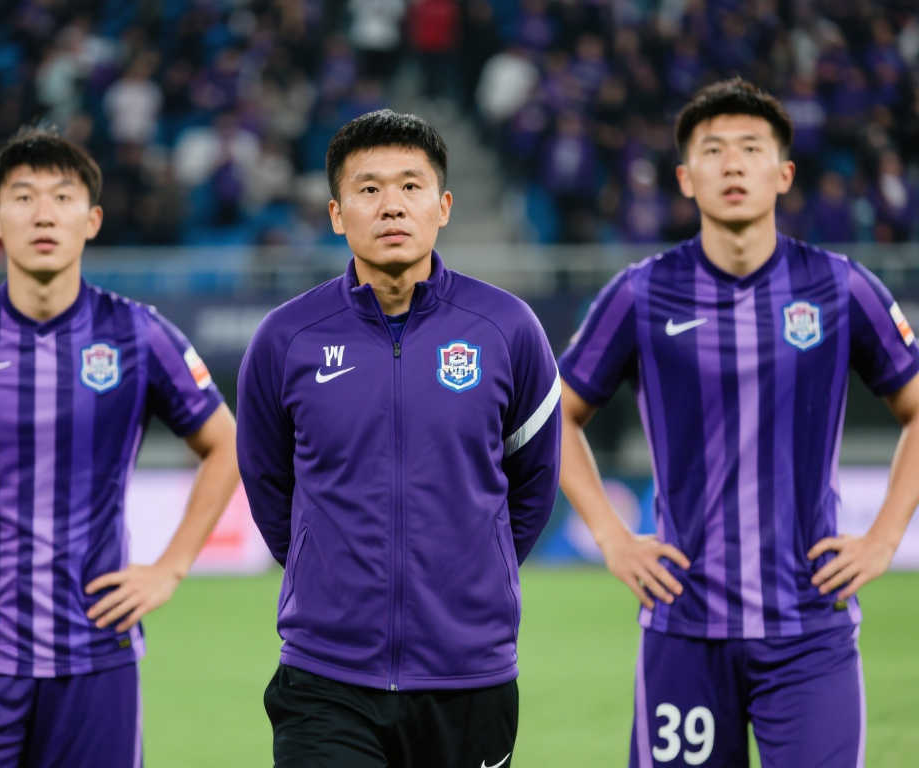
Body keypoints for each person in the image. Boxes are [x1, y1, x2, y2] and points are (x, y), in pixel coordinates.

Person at [557, 76, 919, 767]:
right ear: (685, 179)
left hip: (809, 629)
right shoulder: (640, 293)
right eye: (712, 150)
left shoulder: (841, 287)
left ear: (783, 174)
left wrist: (884, 539)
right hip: (684, 628)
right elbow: (556, 416)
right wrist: (611, 537)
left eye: (751, 148)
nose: (732, 164)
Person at [0, 127, 239, 767]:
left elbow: (228, 444)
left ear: (92, 220)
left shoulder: (138, 334)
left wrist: (170, 568)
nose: (44, 214)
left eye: (63, 196)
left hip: (96, 657)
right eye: (24, 197)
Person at [237, 109, 561, 768]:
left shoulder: (508, 329)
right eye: (369, 188)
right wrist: (325, 574)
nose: (391, 205)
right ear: (336, 214)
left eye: (411, 186)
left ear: (443, 207)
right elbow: (268, 484)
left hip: (469, 674)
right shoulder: (285, 338)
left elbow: (533, 483)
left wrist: (473, 573)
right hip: (326, 676)